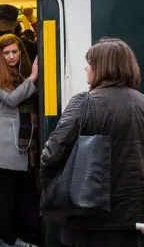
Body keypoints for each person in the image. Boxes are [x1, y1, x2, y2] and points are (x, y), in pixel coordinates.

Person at [41, 38, 144, 247]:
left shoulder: (83, 103)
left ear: (103, 67)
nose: (85, 67)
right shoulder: (142, 104)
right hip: (132, 223)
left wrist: (52, 186)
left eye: (90, 62)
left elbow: (51, 154)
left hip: (86, 218)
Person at [0, 34, 39, 247]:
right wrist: (33, 78)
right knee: (5, 195)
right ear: (0, 55)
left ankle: (15, 238)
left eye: (14, 52)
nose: (11, 57)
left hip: (20, 141)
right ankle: (7, 241)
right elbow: (11, 99)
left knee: (16, 194)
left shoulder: (20, 73)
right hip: (3, 141)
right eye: (6, 53)